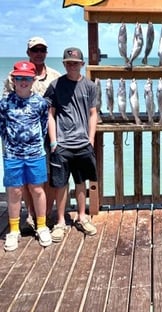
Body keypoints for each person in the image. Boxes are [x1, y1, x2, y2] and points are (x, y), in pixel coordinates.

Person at [3, 37, 61, 231]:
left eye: (42, 49)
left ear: (46, 52)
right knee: (27, 182)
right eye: (34, 49)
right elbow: (5, 111)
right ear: (28, 52)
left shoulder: (55, 75)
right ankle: (30, 215)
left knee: (47, 177)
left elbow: (51, 112)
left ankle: (46, 215)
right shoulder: (13, 77)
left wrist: (50, 135)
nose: (38, 53)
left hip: (47, 136)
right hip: (18, 142)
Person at [44, 47, 98, 242]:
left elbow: (93, 113)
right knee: (60, 184)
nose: (72, 65)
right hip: (62, 144)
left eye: (75, 62)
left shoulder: (90, 86)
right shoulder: (55, 85)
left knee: (81, 182)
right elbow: (50, 114)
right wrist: (53, 141)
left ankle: (82, 216)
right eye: (68, 62)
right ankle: (60, 221)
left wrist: (91, 139)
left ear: (82, 64)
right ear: (64, 63)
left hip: (83, 143)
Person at [0, 61, 52, 251]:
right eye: (19, 78)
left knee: (37, 190)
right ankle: (13, 230)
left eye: (27, 78)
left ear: (33, 80)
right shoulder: (4, 103)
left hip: (36, 154)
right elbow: (2, 127)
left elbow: (44, 126)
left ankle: (42, 226)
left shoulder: (40, 102)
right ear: (13, 80)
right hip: (12, 155)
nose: (23, 82)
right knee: (14, 191)